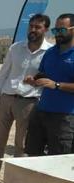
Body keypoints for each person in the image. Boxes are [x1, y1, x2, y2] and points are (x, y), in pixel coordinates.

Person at [24, 13, 74, 156]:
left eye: (61, 30)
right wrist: (34, 80)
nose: (57, 34)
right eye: (55, 30)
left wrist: (57, 85)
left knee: (58, 159)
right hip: (41, 112)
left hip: (65, 117)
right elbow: (44, 75)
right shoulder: (51, 52)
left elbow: (54, 83)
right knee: (32, 156)